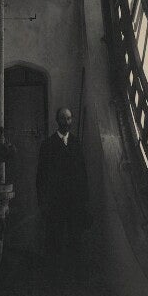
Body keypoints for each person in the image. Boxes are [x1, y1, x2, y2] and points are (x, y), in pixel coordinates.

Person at [36, 107, 91, 266]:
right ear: (57, 121)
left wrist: (84, 200)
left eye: (69, 119)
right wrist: (42, 202)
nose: (67, 122)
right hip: (55, 203)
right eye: (63, 119)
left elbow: (82, 174)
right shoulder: (48, 145)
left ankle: (72, 277)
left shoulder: (76, 143)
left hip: (74, 202)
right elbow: (41, 177)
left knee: (75, 239)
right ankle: (55, 278)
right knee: (55, 239)